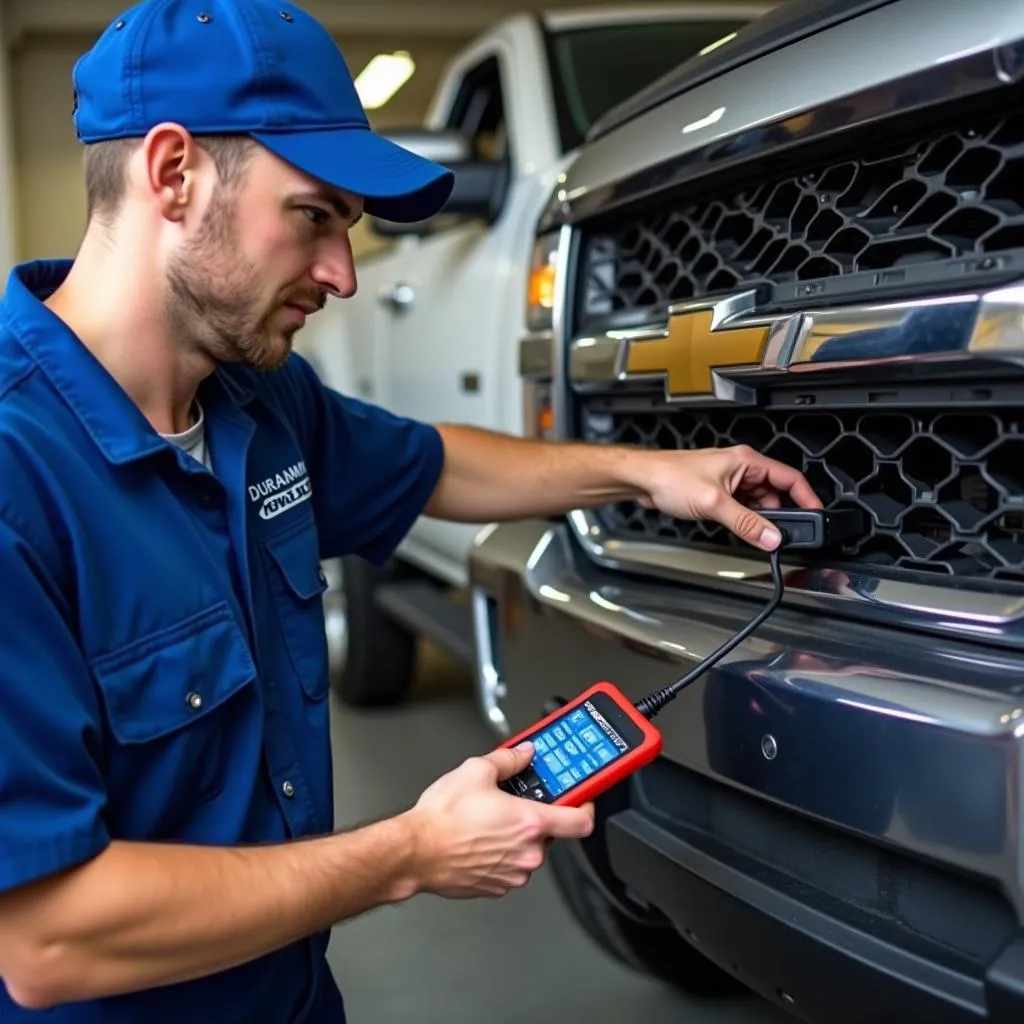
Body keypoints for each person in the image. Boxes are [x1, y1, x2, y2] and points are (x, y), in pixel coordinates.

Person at [0, 1, 822, 1021]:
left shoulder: (255, 396)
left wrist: (647, 472)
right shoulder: (17, 479)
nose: (344, 275)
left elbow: (428, 464)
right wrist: (412, 852)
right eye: (313, 216)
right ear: (173, 174)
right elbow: (48, 934)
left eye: (349, 230)